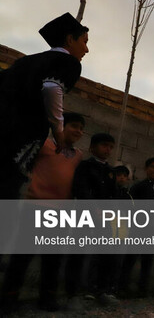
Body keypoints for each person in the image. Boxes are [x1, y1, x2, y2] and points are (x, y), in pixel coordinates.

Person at [0, 112, 86, 312]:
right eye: (74, 126)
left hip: (61, 214)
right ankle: (8, 298)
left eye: (82, 128)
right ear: (62, 126)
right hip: (35, 207)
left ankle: (47, 299)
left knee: (53, 259)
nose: (79, 131)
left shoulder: (78, 155)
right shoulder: (45, 145)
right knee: (22, 257)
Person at [0, 12, 88, 198]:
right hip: (19, 140)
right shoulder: (69, 63)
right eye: (84, 41)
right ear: (70, 39)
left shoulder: (25, 61)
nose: (86, 49)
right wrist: (58, 130)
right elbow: (52, 87)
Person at [68, 132, 118, 306]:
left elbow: (113, 195)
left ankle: (99, 290)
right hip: (85, 215)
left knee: (105, 253)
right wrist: (93, 207)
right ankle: (72, 291)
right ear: (92, 147)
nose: (108, 150)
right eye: (104, 145)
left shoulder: (111, 172)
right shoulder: (84, 166)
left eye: (111, 147)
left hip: (104, 218)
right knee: (78, 252)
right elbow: (80, 189)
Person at [119, 157, 154, 297]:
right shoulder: (138, 187)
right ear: (146, 169)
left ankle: (143, 289)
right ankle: (122, 287)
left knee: (148, 259)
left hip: (153, 229)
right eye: (152, 166)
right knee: (131, 257)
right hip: (137, 228)